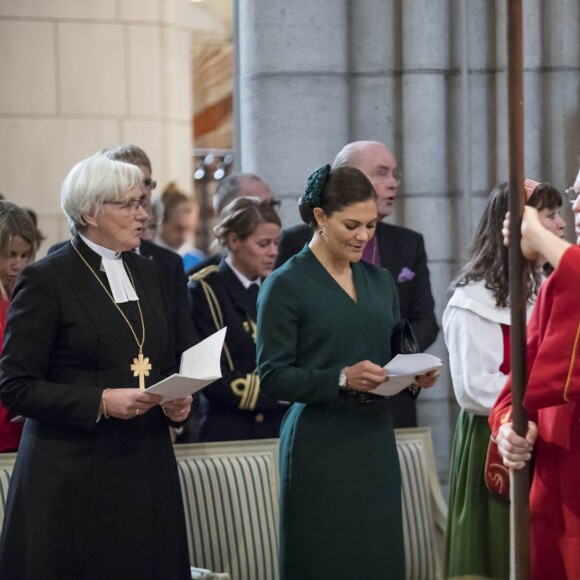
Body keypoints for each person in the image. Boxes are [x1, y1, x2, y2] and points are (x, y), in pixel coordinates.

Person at [0, 154, 192, 579]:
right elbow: (15, 386)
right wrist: (100, 401)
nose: (143, 214)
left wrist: (175, 400)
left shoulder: (148, 272)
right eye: (128, 204)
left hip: (145, 465)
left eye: (142, 201)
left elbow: (155, 358)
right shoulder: (47, 279)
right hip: (74, 473)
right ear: (89, 212)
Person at [256, 164, 439, 580]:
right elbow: (272, 377)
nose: (363, 236)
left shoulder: (379, 280)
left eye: (371, 225)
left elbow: (392, 357)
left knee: (379, 559)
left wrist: (414, 376)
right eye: (351, 225)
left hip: (375, 440)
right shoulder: (285, 284)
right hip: (320, 446)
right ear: (320, 217)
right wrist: (340, 377)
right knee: (325, 560)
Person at [443, 180, 565, 579]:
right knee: (497, 550)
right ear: (513, 225)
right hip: (494, 438)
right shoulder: (472, 299)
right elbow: (474, 386)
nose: (560, 225)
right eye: (548, 215)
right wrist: (538, 402)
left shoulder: (541, 285)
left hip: (538, 433)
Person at [275, 141, 439, 427]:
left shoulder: (398, 256)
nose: (392, 184)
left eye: (394, 174)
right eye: (381, 173)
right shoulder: (292, 258)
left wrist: (406, 368)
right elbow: (277, 369)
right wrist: (344, 376)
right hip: (323, 415)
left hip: (388, 410)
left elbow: (423, 320)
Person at [490, 177, 580, 579]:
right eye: (575, 197)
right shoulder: (557, 284)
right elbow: (512, 396)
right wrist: (510, 430)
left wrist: (537, 239)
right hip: (556, 493)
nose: (575, 210)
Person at [187, 197, 287, 441]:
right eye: (263, 243)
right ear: (233, 241)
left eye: (276, 242)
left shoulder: (281, 285)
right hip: (229, 429)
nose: (273, 251)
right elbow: (209, 375)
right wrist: (285, 392)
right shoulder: (205, 289)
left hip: (278, 427)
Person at [0, 201, 37, 453]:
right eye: (10, 255)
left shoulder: (28, 293)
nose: (18, 264)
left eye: (24, 256)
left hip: (21, 433)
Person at [187, 172, 277, 277]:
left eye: (272, 205)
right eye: (258, 207)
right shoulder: (202, 285)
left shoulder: (285, 264)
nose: (270, 213)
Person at [156, 182, 205, 271]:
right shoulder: (146, 255)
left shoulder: (198, 261)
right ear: (163, 220)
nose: (184, 236)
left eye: (190, 229)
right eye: (179, 229)